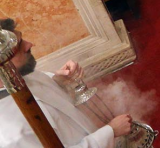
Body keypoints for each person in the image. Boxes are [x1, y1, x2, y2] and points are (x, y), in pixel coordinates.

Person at [0, 17, 132, 147]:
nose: (30, 44)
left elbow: (41, 95)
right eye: (18, 46)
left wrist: (58, 81)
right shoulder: (12, 133)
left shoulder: (17, 75)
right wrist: (110, 132)